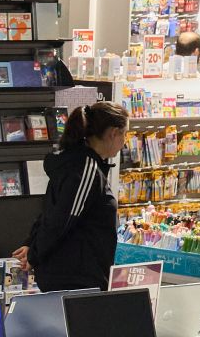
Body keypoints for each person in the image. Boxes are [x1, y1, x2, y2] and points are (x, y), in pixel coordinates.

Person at [14, 100, 128, 292]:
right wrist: (34, 252)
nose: (124, 142)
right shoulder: (86, 169)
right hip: (76, 278)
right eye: (125, 134)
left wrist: (33, 246)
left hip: (71, 275)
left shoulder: (76, 163)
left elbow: (51, 212)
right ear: (113, 133)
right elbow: (62, 219)